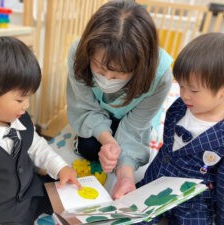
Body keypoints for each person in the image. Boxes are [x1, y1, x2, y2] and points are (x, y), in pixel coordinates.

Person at [0, 36, 80, 225]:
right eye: (20, 100)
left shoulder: (20, 119)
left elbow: (37, 147)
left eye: (28, 98)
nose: (26, 105)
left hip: (31, 198)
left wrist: (60, 167)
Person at [136, 33, 224, 225]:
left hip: (192, 209)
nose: (185, 95)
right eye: (181, 86)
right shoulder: (180, 106)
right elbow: (167, 151)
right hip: (152, 189)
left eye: (194, 90)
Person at [66, 0, 173, 199]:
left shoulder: (160, 75)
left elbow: (135, 127)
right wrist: (108, 140)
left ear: (139, 69)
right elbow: (84, 107)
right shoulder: (77, 54)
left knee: (124, 158)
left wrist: (126, 176)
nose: (106, 79)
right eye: (99, 67)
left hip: (135, 118)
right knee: (90, 147)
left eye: (118, 74)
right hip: (97, 111)